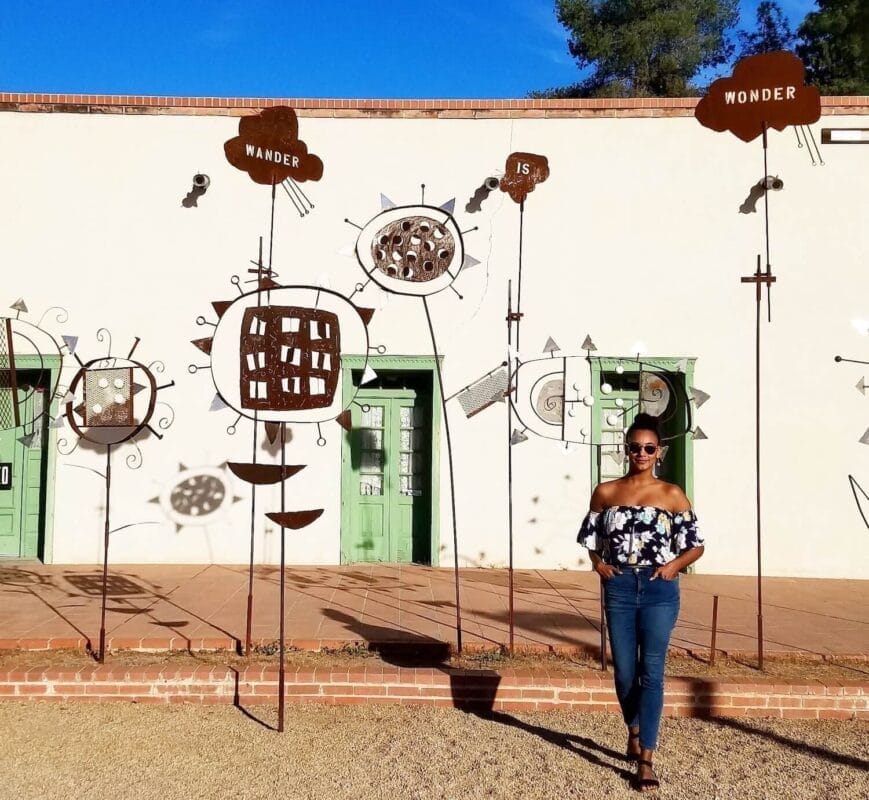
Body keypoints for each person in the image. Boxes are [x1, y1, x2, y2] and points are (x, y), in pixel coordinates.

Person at [577, 412, 704, 792]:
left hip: (658, 589)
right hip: (617, 586)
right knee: (624, 673)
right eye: (635, 447)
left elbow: (695, 545)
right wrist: (598, 564)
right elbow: (589, 539)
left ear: (659, 451)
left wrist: (672, 568)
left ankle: (646, 757)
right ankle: (633, 727)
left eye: (649, 448)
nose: (642, 453)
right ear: (626, 449)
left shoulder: (672, 495)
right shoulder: (606, 492)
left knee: (652, 672)